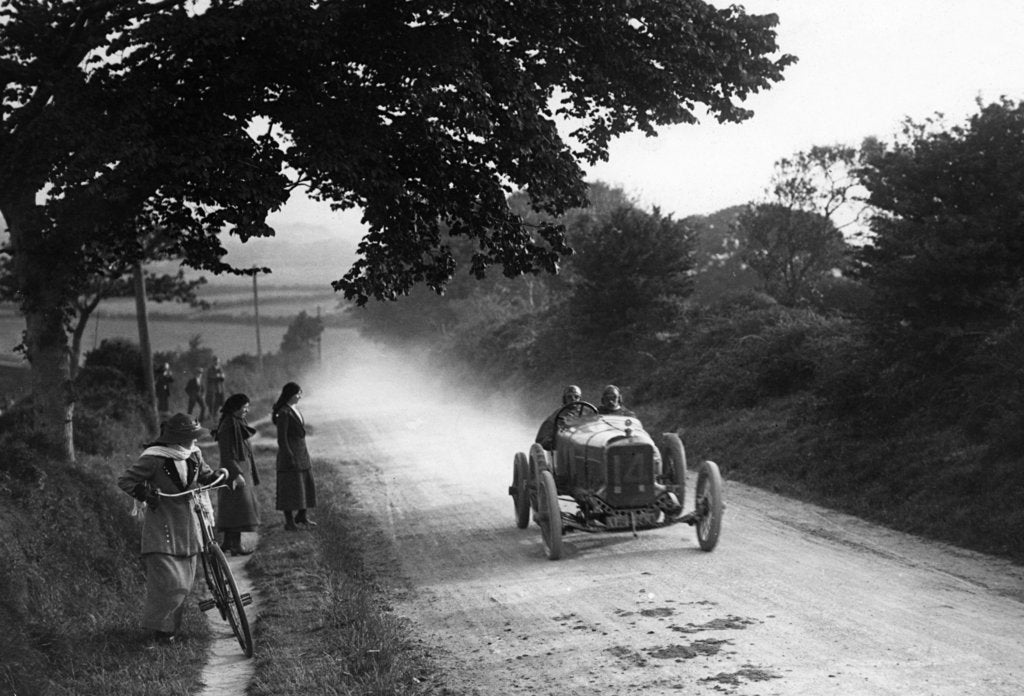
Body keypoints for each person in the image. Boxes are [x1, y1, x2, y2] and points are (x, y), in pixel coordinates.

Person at [117, 413, 228, 645]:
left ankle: (169, 630)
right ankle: (162, 630)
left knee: (184, 584)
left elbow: (204, 475)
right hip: (163, 525)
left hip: (189, 525)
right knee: (169, 582)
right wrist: (145, 494)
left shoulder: (194, 454)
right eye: (190, 436)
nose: (194, 440)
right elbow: (125, 480)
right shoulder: (154, 458)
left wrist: (215, 475)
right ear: (177, 438)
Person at [214, 393, 261, 556]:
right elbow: (226, 455)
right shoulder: (228, 425)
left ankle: (228, 543)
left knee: (235, 508)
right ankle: (235, 545)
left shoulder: (237, 421)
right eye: (244, 407)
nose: (247, 410)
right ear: (235, 408)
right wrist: (237, 474)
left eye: (247, 407)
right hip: (233, 471)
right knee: (238, 509)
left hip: (241, 469)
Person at [272, 382, 316, 530]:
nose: (300, 396)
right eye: (298, 393)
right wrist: (289, 455)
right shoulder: (284, 412)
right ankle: (289, 522)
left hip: (301, 452)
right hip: (290, 453)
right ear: (290, 395)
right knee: (289, 488)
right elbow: (281, 438)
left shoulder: (294, 409)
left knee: (305, 483)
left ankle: (302, 516)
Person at [535, 384, 587, 450]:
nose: (573, 399)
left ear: (580, 398)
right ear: (565, 399)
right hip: (564, 449)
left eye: (576, 397)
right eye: (569, 397)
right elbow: (541, 440)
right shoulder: (557, 415)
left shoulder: (588, 412)